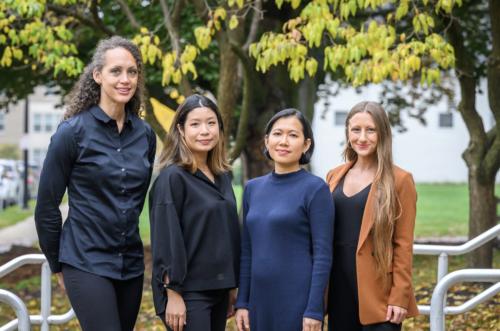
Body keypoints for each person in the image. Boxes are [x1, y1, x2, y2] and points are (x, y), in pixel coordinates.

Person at [34, 36, 156, 331]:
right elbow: (47, 207)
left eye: (132, 71)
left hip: (131, 264)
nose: (125, 79)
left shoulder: (145, 135)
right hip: (84, 261)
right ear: (97, 75)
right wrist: (58, 264)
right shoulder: (71, 134)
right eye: (116, 71)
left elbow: (136, 200)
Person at [235, 109, 334, 331]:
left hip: (297, 302)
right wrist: (242, 302)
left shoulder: (316, 189)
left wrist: (314, 309)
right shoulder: (252, 188)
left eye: (293, 135)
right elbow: (247, 251)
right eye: (278, 134)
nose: (284, 141)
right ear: (267, 140)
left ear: (306, 144)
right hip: (259, 301)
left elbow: (323, 255)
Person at [149, 94, 240, 331]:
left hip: (220, 289)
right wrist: (173, 293)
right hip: (188, 293)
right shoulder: (172, 178)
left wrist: (231, 286)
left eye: (211, 123)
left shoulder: (222, 176)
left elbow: (226, 232)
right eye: (195, 124)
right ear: (180, 129)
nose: (205, 131)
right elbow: (166, 240)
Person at [325, 101, 418, 330]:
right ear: (347, 132)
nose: (362, 137)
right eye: (356, 130)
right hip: (338, 287)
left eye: (371, 130)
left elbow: (403, 244)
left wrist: (400, 296)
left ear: (383, 133)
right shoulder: (334, 175)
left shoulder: (400, 180)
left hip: (379, 293)